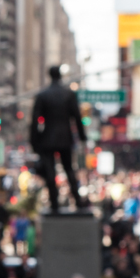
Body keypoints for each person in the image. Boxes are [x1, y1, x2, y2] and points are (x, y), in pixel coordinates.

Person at [31, 64, 87, 214]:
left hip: (47, 138)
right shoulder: (68, 94)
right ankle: (78, 202)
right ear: (60, 76)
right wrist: (82, 137)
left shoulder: (43, 95)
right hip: (65, 138)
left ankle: (54, 204)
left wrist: (34, 141)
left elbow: (35, 120)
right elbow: (77, 117)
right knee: (69, 170)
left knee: (50, 173)